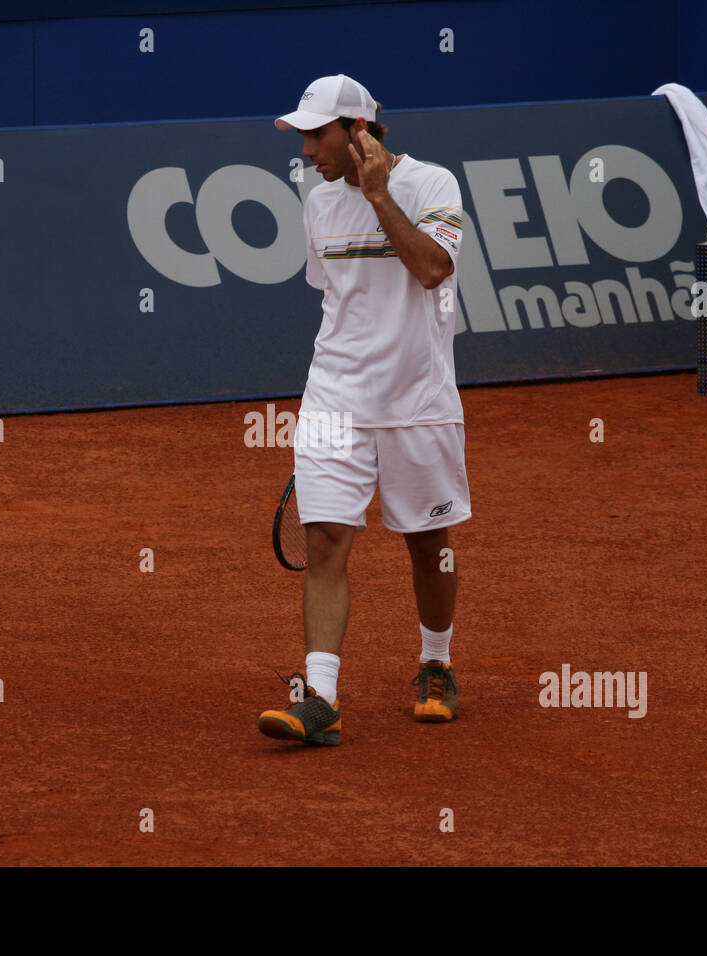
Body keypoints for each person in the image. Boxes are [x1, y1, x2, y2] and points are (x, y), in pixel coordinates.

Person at [258, 74, 471, 746]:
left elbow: (433, 269)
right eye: (302, 137)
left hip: (419, 401)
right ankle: (320, 697)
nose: (306, 151)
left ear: (357, 130)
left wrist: (378, 197)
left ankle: (436, 664)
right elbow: (338, 300)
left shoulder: (433, 185)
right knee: (323, 541)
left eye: (316, 135)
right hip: (334, 397)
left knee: (427, 543)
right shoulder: (318, 205)